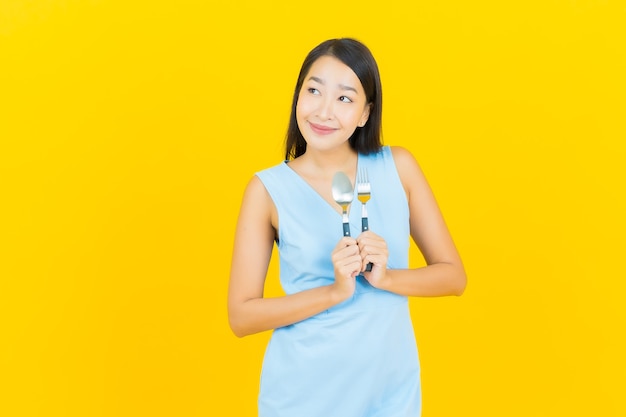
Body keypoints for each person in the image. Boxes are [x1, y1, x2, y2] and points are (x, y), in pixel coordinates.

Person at [228, 38, 466, 417]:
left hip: (389, 394)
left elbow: (453, 277)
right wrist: (335, 292)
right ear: (297, 97)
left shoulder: (398, 168)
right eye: (314, 90)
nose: (323, 111)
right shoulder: (266, 190)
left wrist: (387, 279)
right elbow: (241, 317)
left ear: (365, 113)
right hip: (301, 396)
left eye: (344, 98)